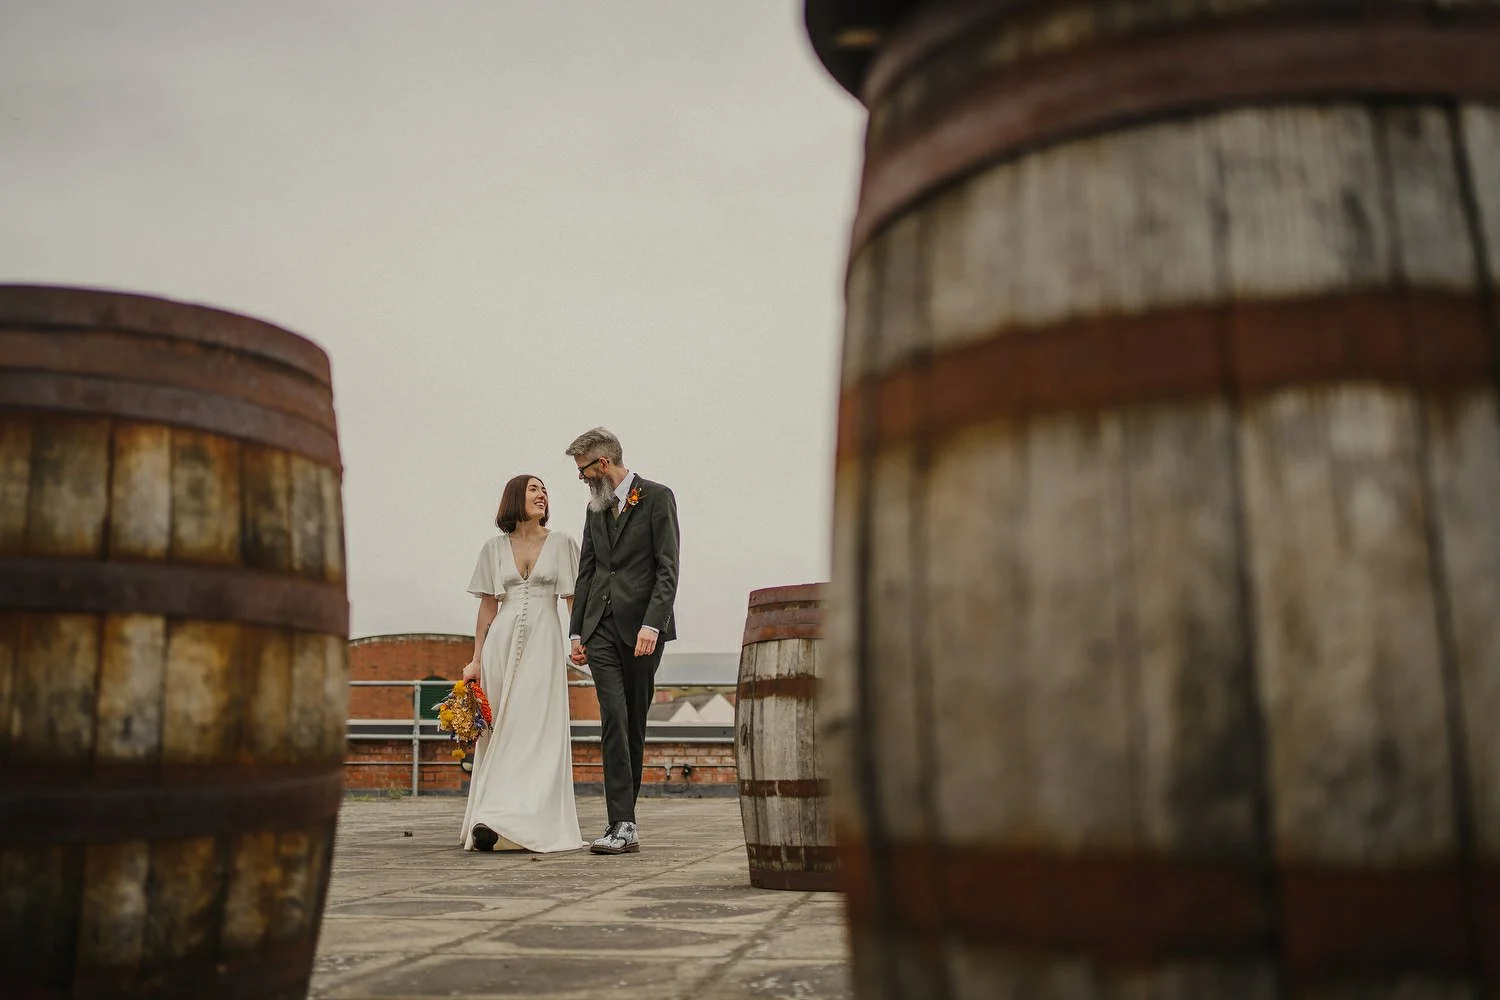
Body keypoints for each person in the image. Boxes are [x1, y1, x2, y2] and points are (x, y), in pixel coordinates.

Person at [565, 427, 681, 855]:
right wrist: (577, 630)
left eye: (583, 470)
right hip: (600, 629)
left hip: (643, 632)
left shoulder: (657, 497)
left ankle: (624, 821)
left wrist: (653, 624)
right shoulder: (594, 509)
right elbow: (588, 571)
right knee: (613, 717)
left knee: (633, 722)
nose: (581, 478)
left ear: (603, 464)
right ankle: (621, 822)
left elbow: (668, 567)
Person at [458, 474, 585, 853]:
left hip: (544, 644)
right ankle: (490, 818)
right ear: (515, 497)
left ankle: (523, 817)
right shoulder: (493, 548)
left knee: (536, 729)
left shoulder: (562, 543)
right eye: (534, 488)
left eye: (545, 489)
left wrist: (578, 640)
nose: (542, 494)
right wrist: (475, 659)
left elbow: (573, 600)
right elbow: (487, 607)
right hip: (500, 645)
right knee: (501, 730)